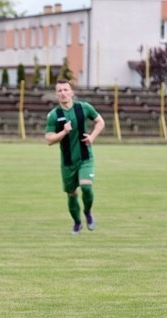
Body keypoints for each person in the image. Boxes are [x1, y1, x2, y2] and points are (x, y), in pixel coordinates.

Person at [45, 79, 105, 235]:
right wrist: (63, 132)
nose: (63, 93)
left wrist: (92, 137)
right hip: (67, 162)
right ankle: (77, 222)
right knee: (71, 195)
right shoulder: (54, 115)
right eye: (59, 90)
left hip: (85, 157)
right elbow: (49, 139)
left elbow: (100, 122)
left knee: (86, 186)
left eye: (66, 90)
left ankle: (88, 212)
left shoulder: (83, 107)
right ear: (56, 94)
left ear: (71, 92)